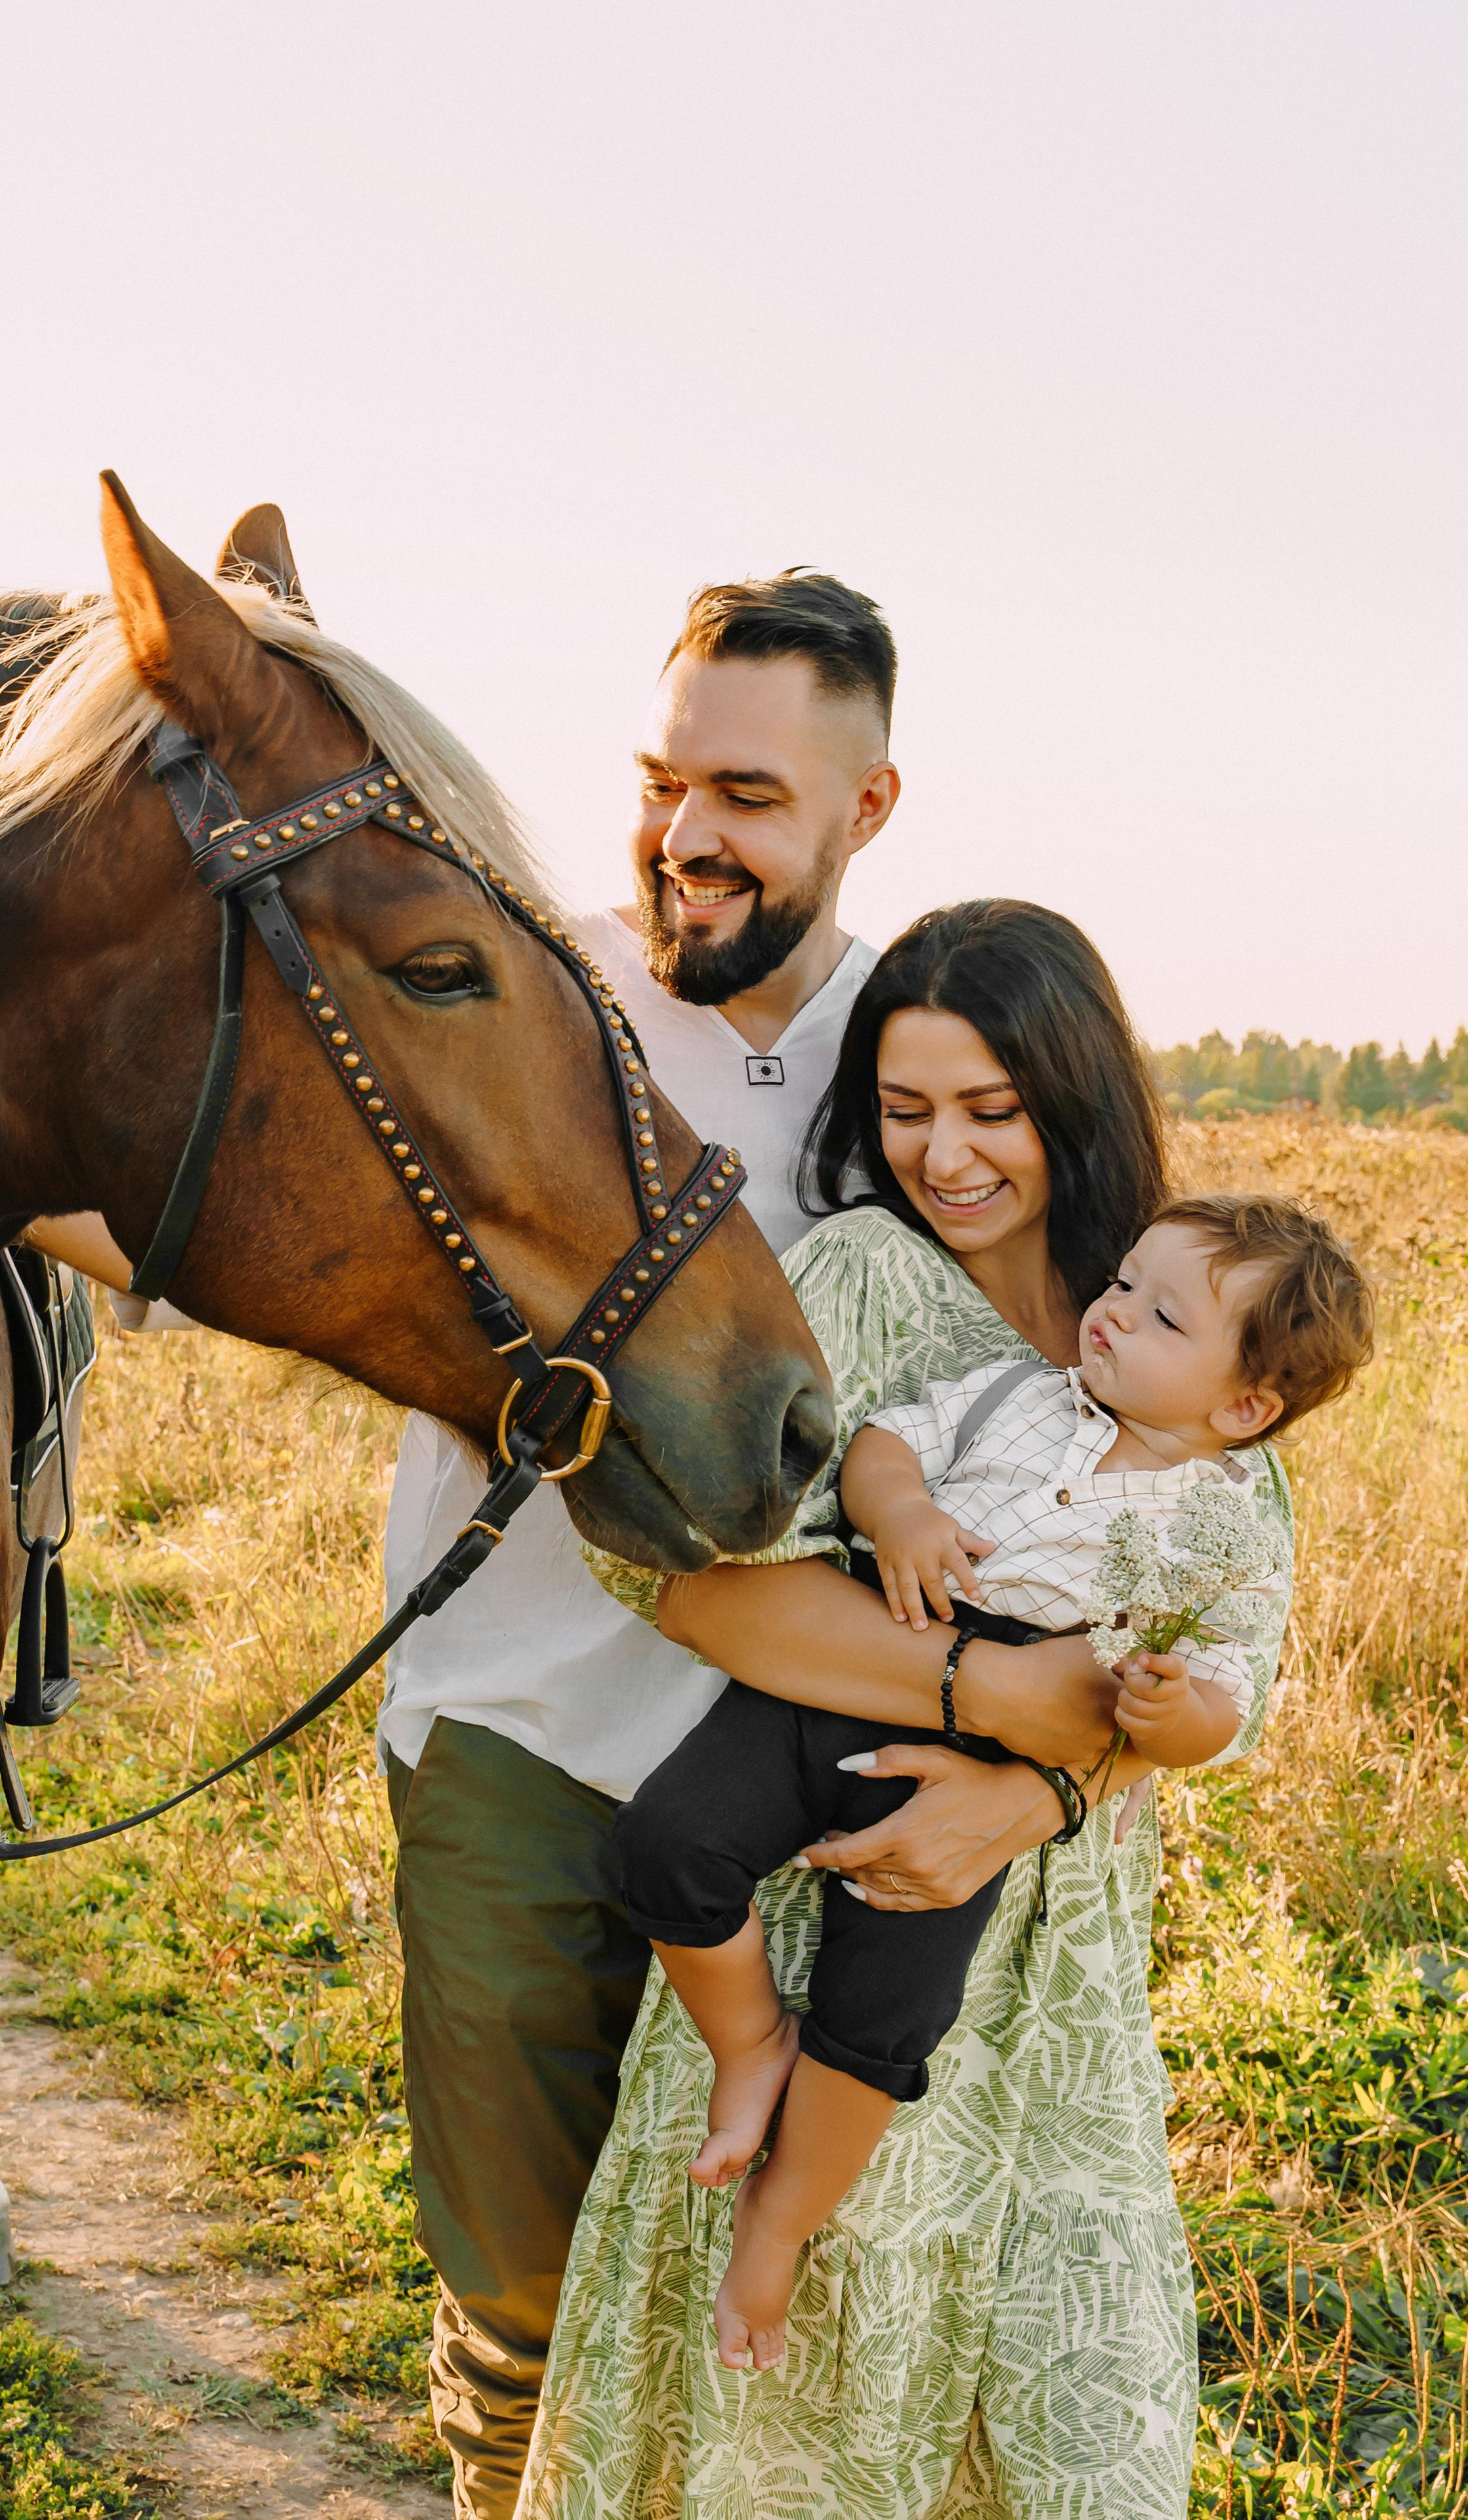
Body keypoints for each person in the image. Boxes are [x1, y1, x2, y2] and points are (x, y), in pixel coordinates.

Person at [516, 900, 1299, 2520]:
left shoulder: (1189, 1307)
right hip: (828, 1889)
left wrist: (1035, 1794)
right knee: (803, 2391)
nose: (944, 1156)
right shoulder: (854, 1280)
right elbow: (679, 1577)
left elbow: (1229, 1663)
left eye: (991, 1110)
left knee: (1067, 2405)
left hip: (1060, 1968)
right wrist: (979, 1686)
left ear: (1074, 1098)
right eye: (902, 1108)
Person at [380, 571, 902, 2519]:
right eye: (663, 780)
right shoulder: (524, 990)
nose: (686, 834)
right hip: (513, 1716)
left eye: (749, 796)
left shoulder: (927, 1050)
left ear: (869, 806)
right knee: (512, 2270)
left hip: (798, 1757)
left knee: (765, 2284)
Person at [613, 1193, 1372, 2372]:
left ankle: (779, 2222)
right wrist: (903, 1512)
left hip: (984, 1767)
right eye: (1123, 1284)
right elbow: (884, 1446)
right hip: (860, 1656)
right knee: (665, 1845)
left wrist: (1168, 1717)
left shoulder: (1223, 1527)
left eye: (1161, 1317)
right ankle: (750, 2042)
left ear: (1242, 1407)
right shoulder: (1022, 1394)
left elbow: (1222, 1702)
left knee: (887, 2022)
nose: (1114, 1313)